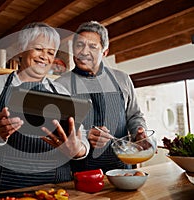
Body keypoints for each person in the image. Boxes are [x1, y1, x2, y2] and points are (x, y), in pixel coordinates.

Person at [0, 22, 90, 193]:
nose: (45, 56)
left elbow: (83, 138)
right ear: (21, 49)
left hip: (56, 191)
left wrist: (78, 149)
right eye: (38, 49)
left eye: (51, 52)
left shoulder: (61, 92)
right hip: (3, 190)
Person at [55, 21, 147, 173]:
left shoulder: (122, 79)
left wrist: (140, 132)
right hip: (78, 171)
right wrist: (84, 136)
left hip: (121, 168)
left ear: (104, 52)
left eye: (92, 46)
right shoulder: (61, 84)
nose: (84, 52)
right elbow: (58, 128)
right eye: (79, 45)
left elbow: (134, 115)